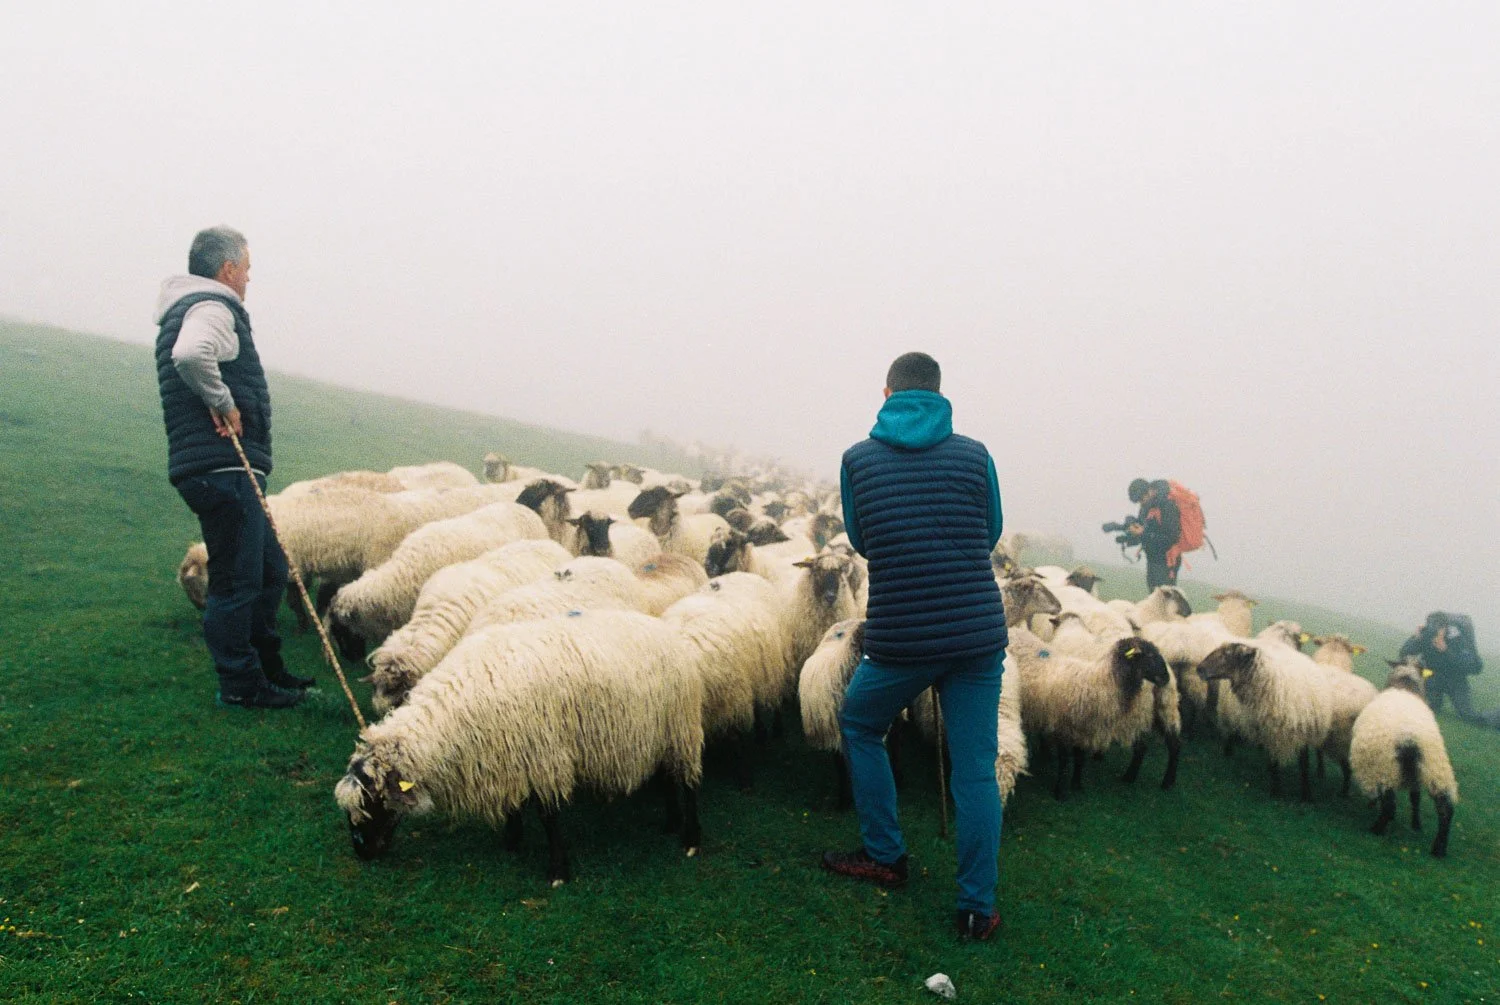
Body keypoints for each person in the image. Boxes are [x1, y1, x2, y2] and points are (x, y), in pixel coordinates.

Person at [822, 352, 1008, 942]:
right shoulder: (975, 455)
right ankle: (977, 907)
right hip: (978, 631)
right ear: (939, 393)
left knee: (858, 722)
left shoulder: (858, 459)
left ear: (886, 393)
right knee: (976, 768)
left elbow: (863, 539)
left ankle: (885, 855)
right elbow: (992, 530)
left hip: (903, 633)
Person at [154, 226, 310, 709]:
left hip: (219, 467)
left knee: (269, 568)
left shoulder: (196, 306)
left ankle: (268, 667)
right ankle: (242, 686)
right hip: (222, 467)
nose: (247, 279)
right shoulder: (211, 307)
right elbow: (190, 355)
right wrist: (223, 401)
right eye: (245, 268)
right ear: (227, 270)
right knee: (237, 580)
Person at [1399, 612, 1488, 723]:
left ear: (1446, 627)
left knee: (1468, 715)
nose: (1436, 631)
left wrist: (1446, 650)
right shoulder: (1426, 635)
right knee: (1428, 705)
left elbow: (1476, 667)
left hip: (1455, 680)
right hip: (1431, 675)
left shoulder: (1458, 639)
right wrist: (1415, 639)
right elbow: (1404, 654)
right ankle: (1430, 698)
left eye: (1440, 627)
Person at [1127, 477, 1181, 589]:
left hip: (1167, 562)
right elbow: (1144, 528)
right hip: (1153, 560)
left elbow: (1172, 538)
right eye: (1138, 501)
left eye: (1141, 499)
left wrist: (1143, 534)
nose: (1140, 503)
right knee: (1155, 599)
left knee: (1164, 600)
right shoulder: (1146, 507)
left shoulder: (1167, 505)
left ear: (1149, 491)